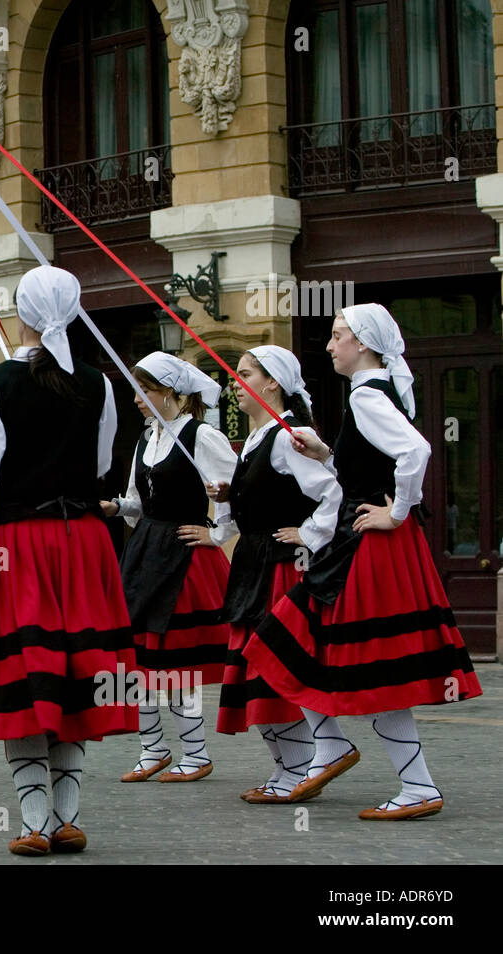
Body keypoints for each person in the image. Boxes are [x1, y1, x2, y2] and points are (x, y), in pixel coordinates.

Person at [243, 305, 483, 819]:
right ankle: (388, 772)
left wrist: (396, 512)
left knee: (299, 644)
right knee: (353, 657)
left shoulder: (368, 395)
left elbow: (415, 453)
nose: (330, 346)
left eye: (338, 336)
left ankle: (399, 778)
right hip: (365, 543)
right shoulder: (374, 393)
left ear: (365, 344)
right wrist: (326, 453)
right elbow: (370, 462)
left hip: (368, 544)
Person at [0, 265, 137, 856]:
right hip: (84, 544)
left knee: (27, 676)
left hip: (20, 546)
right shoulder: (98, 384)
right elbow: (101, 463)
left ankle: (34, 822)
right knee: (73, 674)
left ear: (21, 314)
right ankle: (66, 817)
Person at [210, 346, 342, 803]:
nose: (235, 382)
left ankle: (307, 763)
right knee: (254, 671)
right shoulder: (256, 439)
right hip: (253, 564)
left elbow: (331, 492)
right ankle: (289, 769)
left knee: (276, 667)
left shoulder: (289, 434)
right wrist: (231, 495)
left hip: (280, 568)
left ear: (271, 383)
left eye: (244, 374)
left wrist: (308, 533)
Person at [100, 352, 236, 783]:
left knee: (176, 663)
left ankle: (195, 753)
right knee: (134, 658)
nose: (138, 399)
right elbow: (139, 502)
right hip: (144, 554)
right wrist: (116, 506)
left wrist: (217, 533)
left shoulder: (201, 436)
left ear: (171, 392)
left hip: (183, 557)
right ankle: (153, 748)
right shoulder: (147, 438)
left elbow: (237, 489)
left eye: (146, 390)